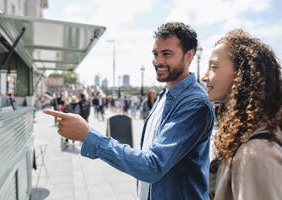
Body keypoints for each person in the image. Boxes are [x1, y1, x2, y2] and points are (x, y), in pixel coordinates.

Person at [43, 22, 214, 200]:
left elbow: (152, 166)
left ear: (189, 56)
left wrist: (88, 136)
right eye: (155, 54)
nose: (158, 61)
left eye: (167, 54)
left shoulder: (195, 103)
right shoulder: (165, 94)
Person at [202, 29, 282, 200]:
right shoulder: (248, 138)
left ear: (242, 74)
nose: (204, 77)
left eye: (213, 67)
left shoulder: (255, 152)